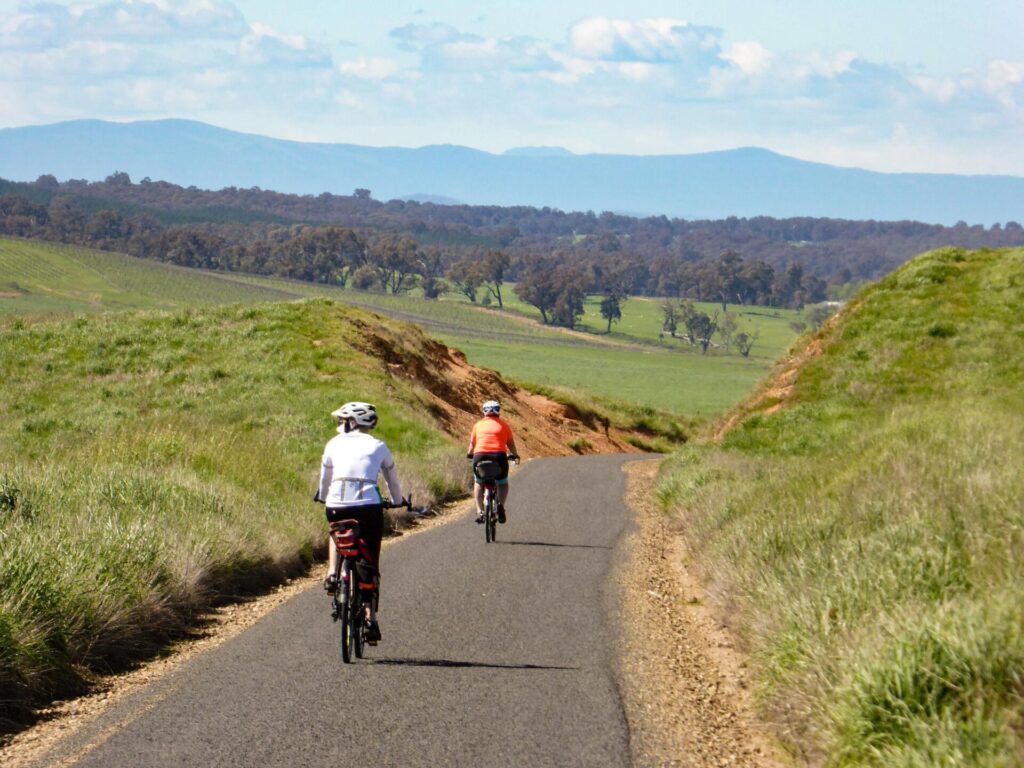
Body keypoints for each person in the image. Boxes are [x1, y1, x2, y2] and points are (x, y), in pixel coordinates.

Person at [316, 401, 404, 645]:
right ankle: (370, 618)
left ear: (352, 422)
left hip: (336, 504)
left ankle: (332, 573)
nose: (341, 424)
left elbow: (325, 478)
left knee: (337, 532)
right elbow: (392, 479)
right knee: (370, 556)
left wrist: (323, 496)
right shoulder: (379, 446)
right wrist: (397, 501)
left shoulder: (333, 443)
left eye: (343, 420)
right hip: (368, 506)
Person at [467, 400, 519, 524]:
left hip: (479, 456)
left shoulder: (477, 425)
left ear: (484, 411)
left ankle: (480, 511)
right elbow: (511, 444)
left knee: (478, 482)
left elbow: (472, 445)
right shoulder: (504, 426)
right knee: (502, 483)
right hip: (499, 457)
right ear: (498, 411)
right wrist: (514, 455)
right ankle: (500, 505)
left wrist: (469, 454)